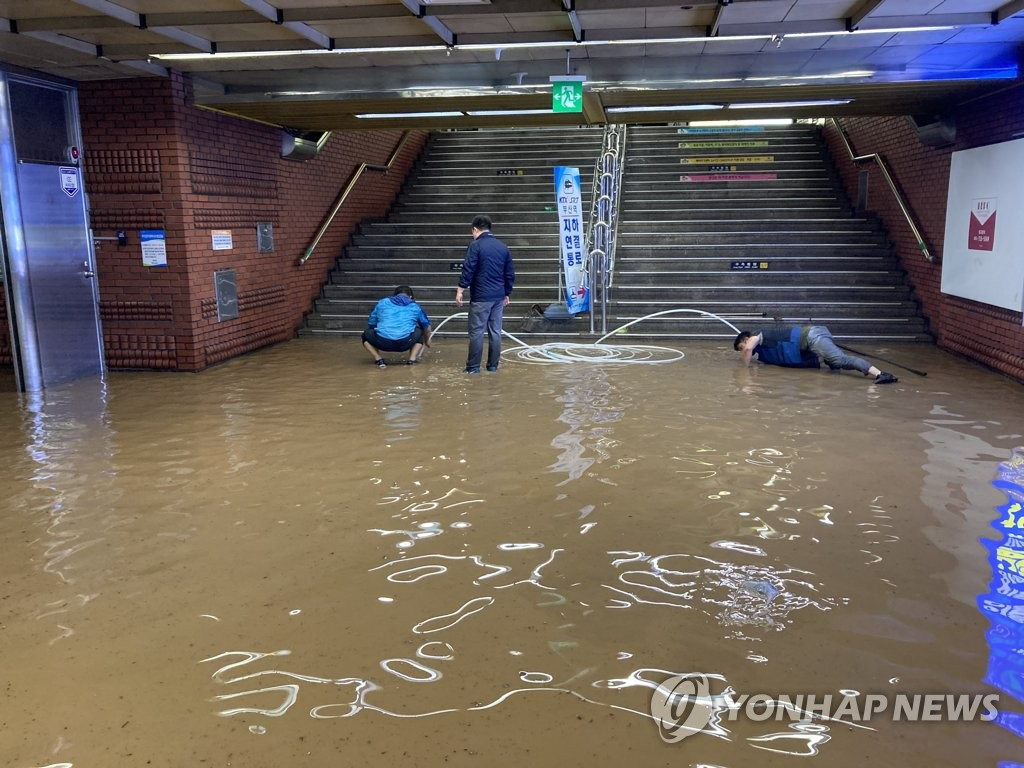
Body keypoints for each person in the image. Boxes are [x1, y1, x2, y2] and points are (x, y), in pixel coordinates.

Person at [733, 325, 898, 384]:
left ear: (747, 339)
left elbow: (748, 350)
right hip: (811, 343)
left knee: (840, 360)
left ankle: (881, 374)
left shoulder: (756, 337)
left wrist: (744, 371)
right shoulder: (763, 350)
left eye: (741, 346)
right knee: (834, 368)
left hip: (812, 337)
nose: (744, 350)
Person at [456, 214, 515, 373]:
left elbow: (469, 269)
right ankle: (493, 366)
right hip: (498, 297)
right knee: (495, 332)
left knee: (477, 332)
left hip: (481, 297)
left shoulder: (476, 246)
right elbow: (509, 274)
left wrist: (461, 289)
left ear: (475, 229)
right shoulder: (503, 247)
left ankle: (473, 367)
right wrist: (506, 293)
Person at [361, 285, 432, 367]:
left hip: (381, 342)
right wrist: (427, 340)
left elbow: (372, 323)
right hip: (405, 343)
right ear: (410, 296)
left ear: (395, 295)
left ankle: (379, 359)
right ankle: (412, 360)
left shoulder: (382, 302)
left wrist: (380, 331)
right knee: (420, 331)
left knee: (365, 335)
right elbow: (427, 327)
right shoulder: (415, 306)